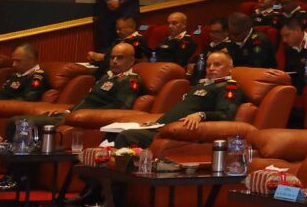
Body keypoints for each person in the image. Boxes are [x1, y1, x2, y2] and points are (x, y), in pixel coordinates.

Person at [105, 50, 248, 148]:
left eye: (217, 65)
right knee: (112, 133)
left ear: (230, 68)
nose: (210, 68)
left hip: (177, 133)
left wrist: (201, 115)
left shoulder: (229, 87)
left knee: (125, 136)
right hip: (161, 127)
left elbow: (225, 114)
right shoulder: (202, 85)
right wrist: (156, 123)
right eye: (208, 65)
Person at [23, 43, 140, 150]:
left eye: (120, 58)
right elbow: (88, 99)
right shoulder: (106, 77)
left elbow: (121, 106)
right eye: (112, 57)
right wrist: (68, 110)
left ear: (132, 61)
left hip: (87, 119)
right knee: (22, 121)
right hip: (75, 115)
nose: (114, 61)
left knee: (25, 123)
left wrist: (84, 114)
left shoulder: (131, 80)